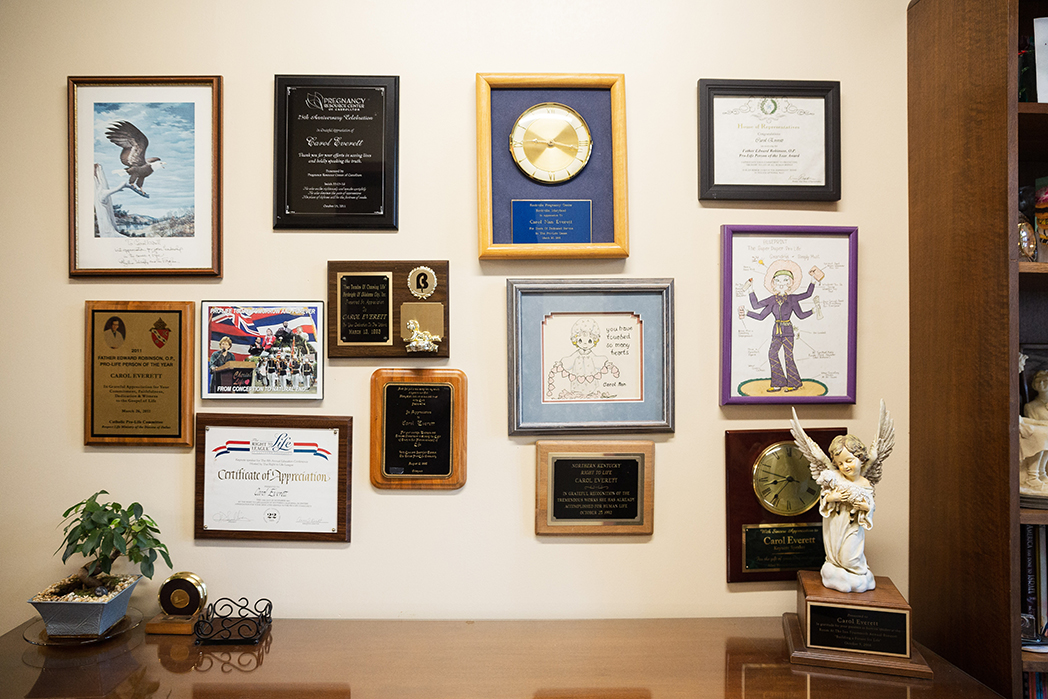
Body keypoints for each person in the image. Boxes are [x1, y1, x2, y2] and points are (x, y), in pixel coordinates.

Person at [741, 261, 822, 392]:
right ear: (773, 283)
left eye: (785, 280)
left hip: (788, 331)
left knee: (788, 356)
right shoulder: (772, 300)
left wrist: (813, 282)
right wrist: (750, 292)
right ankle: (778, 382)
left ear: (791, 283)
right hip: (776, 332)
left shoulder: (792, 299)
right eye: (778, 281)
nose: (781, 283)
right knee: (772, 354)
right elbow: (758, 310)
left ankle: (794, 383)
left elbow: (803, 306)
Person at [818, 434, 876, 593]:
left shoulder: (864, 483)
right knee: (835, 553)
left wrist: (865, 506)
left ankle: (858, 574)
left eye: (849, 461)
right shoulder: (835, 477)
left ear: (861, 458)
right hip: (836, 523)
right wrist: (832, 497)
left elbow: (871, 504)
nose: (845, 466)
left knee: (849, 557)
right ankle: (838, 572)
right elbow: (823, 497)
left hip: (852, 525)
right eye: (840, 463)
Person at [545, 318, 619, 400]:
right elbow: (569, 360)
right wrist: (560, 364)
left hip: (590, 380)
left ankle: (590, 393)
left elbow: (598, 361)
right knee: (577, 388)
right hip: (577, 379)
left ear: (595, 341)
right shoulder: (576, 355)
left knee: (591, 389)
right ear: (575, 340)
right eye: (580, 340)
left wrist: (606, 364)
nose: (584, 344)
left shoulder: (591, 355)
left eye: (589, 341)